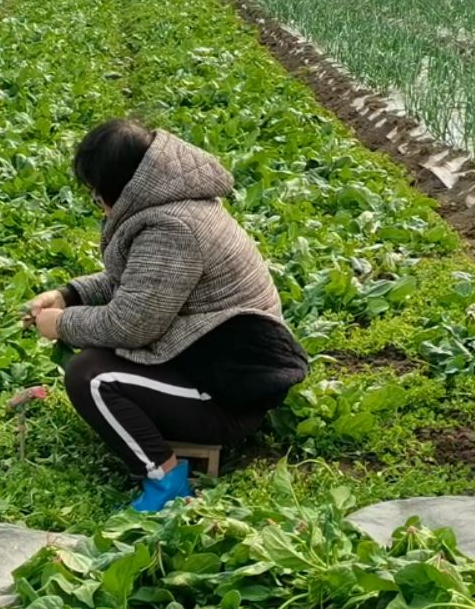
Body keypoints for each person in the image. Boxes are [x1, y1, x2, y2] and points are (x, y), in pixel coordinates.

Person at [25, 120, 308, 511]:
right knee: (97, 363)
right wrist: (67, 295)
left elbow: (131, 323)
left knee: (91, 377)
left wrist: (60, 324)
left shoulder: (172, 228)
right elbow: (137, 281)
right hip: (216, 362)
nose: (97, 201)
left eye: (97, 193)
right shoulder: (172, 201)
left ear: (122, 187)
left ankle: (165, 481)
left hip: (227, 395)